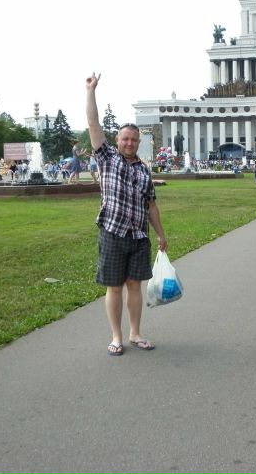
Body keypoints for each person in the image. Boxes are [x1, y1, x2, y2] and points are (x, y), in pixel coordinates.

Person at [85, 72, 168, 357]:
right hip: (112, 232)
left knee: (135, 287)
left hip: (139, 236)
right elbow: (93, 123)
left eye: (134, 139)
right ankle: (116, 337)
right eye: (125, 139)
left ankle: (135, 333)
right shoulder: (106, 159)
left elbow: (151, 205)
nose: (130, 143)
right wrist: (91, 91)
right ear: (117, 140)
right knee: (114, 288)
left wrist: (161, 234)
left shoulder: (144, 170)